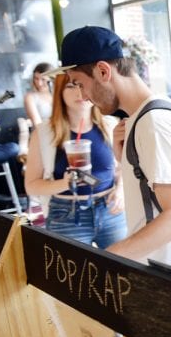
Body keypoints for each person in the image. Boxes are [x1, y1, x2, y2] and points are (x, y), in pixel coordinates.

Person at [51, 25, 171, 271]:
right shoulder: (147, 116)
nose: (83, 96)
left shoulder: (154, 122)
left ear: (103, 71)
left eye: (79, 83)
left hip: (167, 269)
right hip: (161, 263)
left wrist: (105, 260)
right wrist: (126, 160)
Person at [24, 73, 126, 248]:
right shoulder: (43, 133)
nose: (80, 93)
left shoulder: (110, 125)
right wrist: (65, 183)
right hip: (66, 214)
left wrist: (121, 190)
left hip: (110, 210)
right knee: (74, 273)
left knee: (121, 271)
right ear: (59, 92)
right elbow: (31, 185)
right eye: (71, 86)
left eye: (83, 85)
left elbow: (124, 167)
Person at [24, 62, 54, 128]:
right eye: (36, 78)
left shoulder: (57, 95)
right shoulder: (30, 97)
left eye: (43, 79)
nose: (39, 83)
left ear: (51, 80)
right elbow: (37, 124)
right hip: (41, 134)